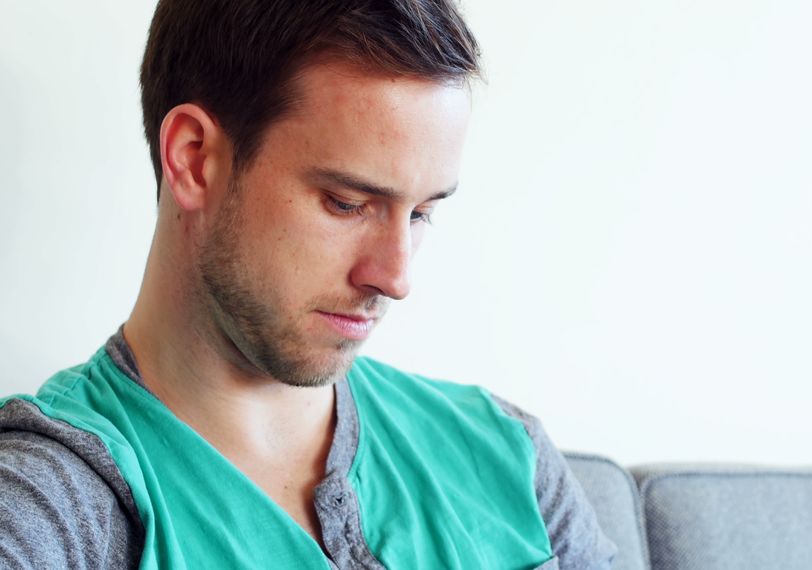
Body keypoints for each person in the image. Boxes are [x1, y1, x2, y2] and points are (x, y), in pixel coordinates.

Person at [0, 1, 616, 568]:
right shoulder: (58, 498)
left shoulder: (510, 457)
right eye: (347, 203)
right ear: (194, 159)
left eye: (422, 212)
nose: (396, 278)